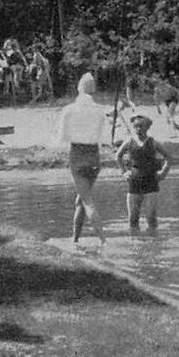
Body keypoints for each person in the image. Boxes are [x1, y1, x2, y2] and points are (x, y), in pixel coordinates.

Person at [54, 72, 109, 244]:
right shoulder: (100, 110)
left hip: (77, 155)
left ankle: (104, 241)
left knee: (87, 201)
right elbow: (103, 136)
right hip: (94, 155)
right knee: (81, 200)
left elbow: (62, 137)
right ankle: (75, 239)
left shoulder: (69, 110)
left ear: (79, 89)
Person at [116, 115, 170, 233]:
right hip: (134, 181)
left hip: (151, 181)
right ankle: (135, 243)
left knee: (151, 218)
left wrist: (163, 173)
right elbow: (118, 156)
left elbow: (168, 157)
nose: (139, 129)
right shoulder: (130, 141)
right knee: (133, 219)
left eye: (141, 126)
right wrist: (124, 172)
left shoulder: (153, 142)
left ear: (147, 127)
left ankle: (153, 242)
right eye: (136, 126)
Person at [152, 72, 179, 137]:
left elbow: (177, 92)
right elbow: (156, 98)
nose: (156, 82)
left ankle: (174, 133)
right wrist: (158, 108)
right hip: (167, 101)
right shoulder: (156, 89)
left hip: (174, 99)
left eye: (157, 80)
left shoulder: (167, 86)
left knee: (170, 115)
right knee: (168, 120)